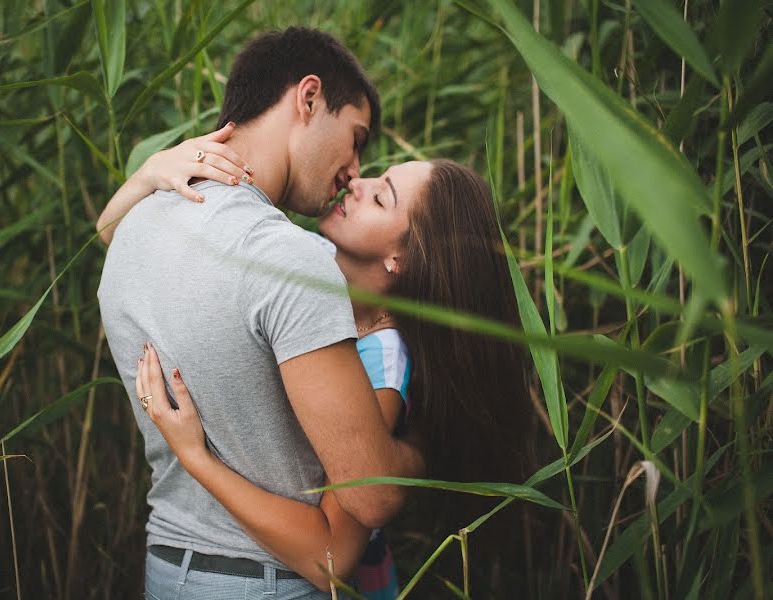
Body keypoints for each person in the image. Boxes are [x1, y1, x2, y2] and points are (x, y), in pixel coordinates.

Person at [102, 136, 532, 596]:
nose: (357, 183)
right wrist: (151, 172)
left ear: (400, 259)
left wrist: (196, 459)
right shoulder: (313, 262)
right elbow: (120, 235)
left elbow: (331, 560)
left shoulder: (382, 363)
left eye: (382, 196)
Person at [97, 27, 424, 599]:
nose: (353, 169)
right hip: (266, 581)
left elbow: (105, 229)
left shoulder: (134, 229)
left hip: (166, 569)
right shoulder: (290, 262)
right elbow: (371, 495)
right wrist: (427, 451)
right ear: (308, 97)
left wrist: (149, 173)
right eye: (356, 137)